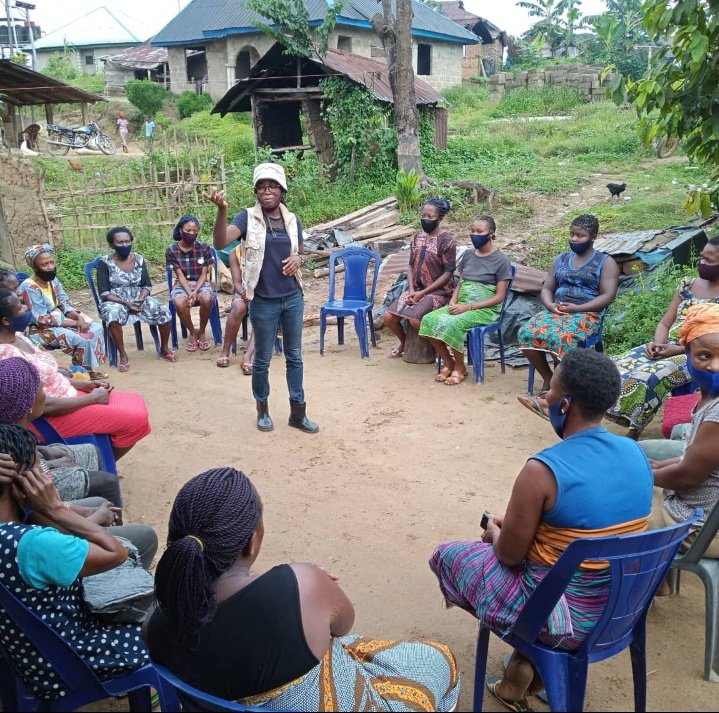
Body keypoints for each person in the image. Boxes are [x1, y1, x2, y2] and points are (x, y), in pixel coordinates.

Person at [429, 349, 652, 711]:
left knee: (449, 555)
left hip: (566, 622)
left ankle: (532, 657)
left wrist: (494, 533)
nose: (545, 396)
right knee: (554, 562)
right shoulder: (635, 451)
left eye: (550, 389)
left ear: (563, 405)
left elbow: (509, 556)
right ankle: (526, 665)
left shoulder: (542, 470)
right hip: (621, 607)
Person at [145, 467, 460, 711]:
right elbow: (344, 625)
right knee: (441, 659)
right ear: (253, 542)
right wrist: (313, 585)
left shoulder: (154, 624)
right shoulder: (298, 588)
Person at [0, 423, 153, 701]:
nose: (48, 478)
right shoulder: (32, 545)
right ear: (24, 482)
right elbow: (114, 552)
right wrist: (54, 507)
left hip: (28, 653)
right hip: (68, 660)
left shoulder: (16, 533)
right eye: (41, 472)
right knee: (160, 623)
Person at [206, 163, 318, 434]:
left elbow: (302, 252)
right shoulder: (246, 218)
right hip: (263, 299)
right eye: (262, 186)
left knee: (295, 357)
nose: (267, 191)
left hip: (292, 297)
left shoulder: (292, 219)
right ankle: (263, 410)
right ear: (256, 191)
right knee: (262, 359)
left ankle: (297, 412)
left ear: (282, 190)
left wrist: (298, 259)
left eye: (273, 186)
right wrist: (221, 211)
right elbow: (221, 242)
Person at [0, 288, 151, 460]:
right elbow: (36, 406)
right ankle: (100, 465)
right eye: (19, 307)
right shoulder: (6, 356)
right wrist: (92, 399)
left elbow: (51, 376)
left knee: (135, 403)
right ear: (5, 320)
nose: (26, 308)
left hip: (69, 396)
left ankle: (103, 458)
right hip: (50, 417)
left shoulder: (18, 336)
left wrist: (84, 384)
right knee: (137, 421)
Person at [606, 236, 719, 438]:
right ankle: (601, 412)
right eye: (702, 258)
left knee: (649, 376)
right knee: (616, 365)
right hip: (667, 346)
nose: (702, 263)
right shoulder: (687, 286)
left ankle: (634, 431)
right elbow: (665, 323)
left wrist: (676, 349)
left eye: (710, 261)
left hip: (697, 355)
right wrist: (658, 344)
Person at [517, 214, 619, 417]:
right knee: (525, 332)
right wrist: (550, 305)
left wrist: (578, 309)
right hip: (557, 311)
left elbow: (608, 296)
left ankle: (554, 398)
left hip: (586, 314)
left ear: (593, 237)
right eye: (572, 234)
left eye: (580, 235)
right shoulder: (561, 259)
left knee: (561, 338)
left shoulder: (605, 262)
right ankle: (549, 379)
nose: (574, 239)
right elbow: (547, 288)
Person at [640, 303, 719, 559]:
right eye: (704, 356)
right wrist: (657, 467)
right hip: (704, 511)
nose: (715, 366)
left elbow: (688, 476)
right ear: (687, 353)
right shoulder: (708, 399)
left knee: (621, 503)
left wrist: (639, 474)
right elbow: (694, 458)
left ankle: (641, 584)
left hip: (704, 528)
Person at [0, 356, 123, 507]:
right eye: (41, 390)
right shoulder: (11, 448)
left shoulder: (18, 434)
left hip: (33, 465)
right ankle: (108, 521)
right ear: (28, 405)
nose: (46, 395)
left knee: (92, 451)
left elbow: (32, 456)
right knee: (107, 483)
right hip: (33, 492)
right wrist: (51, 465)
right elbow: (28, 481)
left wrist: (44, 452)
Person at [419, 216, 512, 385]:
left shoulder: (501, 260)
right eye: (472, 231)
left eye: (479, 231)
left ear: (491, 233)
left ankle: (460, 367)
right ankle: (449, 362)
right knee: (428, 319)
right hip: (461, 304)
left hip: (485, 310)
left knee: (454, 324)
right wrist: (453, 301)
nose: (474, 234)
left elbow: (499, 297)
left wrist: (468, 307)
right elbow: (461, 281)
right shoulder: (469, 254)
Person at [19, 243, 107, 379]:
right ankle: (83, 375)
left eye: (51, 262)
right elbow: (41, 319)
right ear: (35, 267)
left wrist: (79, 318)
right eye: (44, 264)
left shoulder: (53, 281)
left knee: (95, 328)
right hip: (37, 329)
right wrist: (74, 324)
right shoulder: (29, 287)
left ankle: (85, 370)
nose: (50, 267)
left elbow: (64, 303)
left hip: (58, 321)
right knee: (80, 338)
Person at [383, 198, 456, 359]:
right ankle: (403, 343)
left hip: (438, 292)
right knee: (389, 317)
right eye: (423, 215)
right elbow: (409, 265)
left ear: (440, 218)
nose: (425, 219)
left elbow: (448, 273)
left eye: (430, 216)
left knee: (415, 321)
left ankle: (441, 350)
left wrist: (423, 294)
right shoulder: (417, 237)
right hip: (416, 290)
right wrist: (411, 289)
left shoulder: (447, 241)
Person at [98, 226, 175, 371]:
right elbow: (104, 292)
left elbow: (147, 285)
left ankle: (164, 347)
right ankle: (122, 354)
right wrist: (126, 303)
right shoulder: (105, 262)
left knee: (163, 310)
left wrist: (139, 300)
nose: (124, 245)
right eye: (120, 242)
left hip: (139, 298)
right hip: (116, 300)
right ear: (112, 244)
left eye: (127, 241)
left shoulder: (139, 259)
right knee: (112, 314)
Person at [166, 214, 216, 352]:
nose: (192, 233)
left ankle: (202, 331)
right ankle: (192, 332)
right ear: (180, 230)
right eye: (188, 230)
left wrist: (195, 292)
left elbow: (204, 274)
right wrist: (190, 292)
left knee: (206, 298)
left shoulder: (204, 248)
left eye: (195, 231)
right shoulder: (172, 250)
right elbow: (180, 276)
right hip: (182, 284)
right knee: (179, 302)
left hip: (201, 283)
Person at [216, 243, 255, 372]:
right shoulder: (236, 252)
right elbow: (237, 282)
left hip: (265, 292)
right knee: (238, 308)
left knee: (263, 312)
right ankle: (225, 350)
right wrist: (245, 295)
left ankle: (248, 356)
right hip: (242, 291)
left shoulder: (268, 247)